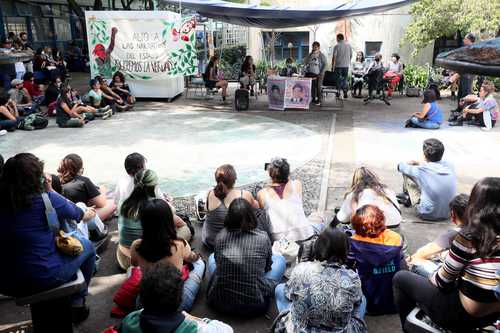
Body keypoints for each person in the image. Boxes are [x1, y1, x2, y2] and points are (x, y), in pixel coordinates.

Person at [393, 177, 500, 331]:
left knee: (401, 278)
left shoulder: (469, 237)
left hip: (463, 316)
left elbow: (441, 282)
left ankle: (409, 328)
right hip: (493, 315)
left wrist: (430, 271)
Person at [0, 153, 96, 323]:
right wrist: (50, 191)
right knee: (87, 246)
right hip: (45, 276)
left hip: (7, 282)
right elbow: (78, 213)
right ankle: (78, 302)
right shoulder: (46, 198)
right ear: (37, 178)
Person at [274, 227, 367, 332]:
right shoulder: (352, 278)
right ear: (345, 250)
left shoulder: (301, 269)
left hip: (301, 330)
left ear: (317, 246)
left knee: (280, 288)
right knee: (362, 300)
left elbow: (288, 294)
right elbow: (356, 303)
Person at [207, 198, 286, 316]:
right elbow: (267, 268)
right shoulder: (262, 237)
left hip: (221, 303)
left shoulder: (220, 237)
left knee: (212, 257)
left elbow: (218, 263)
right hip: (256, 306)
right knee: (280, 260)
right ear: (251, 216)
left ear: (229, 217)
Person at [130, 199, 204, 311]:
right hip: (177, 304)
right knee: (199, 264)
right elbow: (191, 258)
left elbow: (134, 264)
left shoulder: (136, 246)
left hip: (144, 305)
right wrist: (196, 256)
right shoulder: (179, 244)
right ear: (169, 220)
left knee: (132, 270)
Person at [118, 262, 233, 333]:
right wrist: (193, 318)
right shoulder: (196, 329)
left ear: (142, 296)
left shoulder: (130, 320)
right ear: (179, 298)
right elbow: (227, 329)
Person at [348, 205, 404, 315]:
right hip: (393, 303)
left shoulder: (353, 243)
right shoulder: (396, 238)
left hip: (369, 303)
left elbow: (346, 266)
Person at [408, 193, 469, 277]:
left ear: (453, 214)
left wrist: (410, 258)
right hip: (474, 278)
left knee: (415, 261)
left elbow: (422, 253)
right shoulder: (486, 231)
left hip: (453, 280)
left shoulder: (456, 233)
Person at [397, 138, 457, 221]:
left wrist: (410, 163)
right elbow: (434, 166)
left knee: (408, 172)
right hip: (448, 213)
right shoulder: (450, 166)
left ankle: (409, 197)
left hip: (427, 214)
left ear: (424, 154)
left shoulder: (422, 170)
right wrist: (421, 163)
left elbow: (400, 166)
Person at [257, 157, 315, 241]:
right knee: (318, 217)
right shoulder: (296, 184)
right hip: (305, 233)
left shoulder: (262, 194)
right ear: (288, 173)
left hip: (279, 239)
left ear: (270, 174)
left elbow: (265, 214)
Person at [202, 164, 258, 250]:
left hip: (211, 242)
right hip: (234, 244)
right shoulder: (244, 194)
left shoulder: (209, 193)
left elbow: (206, 210)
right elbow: (257, 208)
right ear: (234, 180)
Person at [335, 167, 401, 228]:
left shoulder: (354, 195)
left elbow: (342, 218)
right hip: (394, 224)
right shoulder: (387, 191)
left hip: (371, 229)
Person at [58, 153, 117, 222]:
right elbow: (102, 204)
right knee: (114, 202)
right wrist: (103, 190)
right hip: (81, 219)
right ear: (80, 169)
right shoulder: (83, 181)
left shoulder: (56, 180)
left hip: (64, 219)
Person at [304, 41, 327, 106]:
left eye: (316, 46)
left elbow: (325, 64)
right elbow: (305, 61)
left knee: (318, 87)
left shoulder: (321, 55)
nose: (315, 47)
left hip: (319, 74)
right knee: (312, 87)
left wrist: (321, 72)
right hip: (311, 73)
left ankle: (320, 100)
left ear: (318, 47)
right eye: (313, 46)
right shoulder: (310, 54)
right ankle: (313, 99)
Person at [332, 33, 353, 99]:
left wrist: (333, 66)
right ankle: (345, 92)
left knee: (338, 79)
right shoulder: (349, 45)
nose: (336, 39)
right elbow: (351, 55)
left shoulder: (336, 46)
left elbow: (334, 57)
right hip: (346, 66)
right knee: (345, 79)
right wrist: (347, 61)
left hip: (338, 66)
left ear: (338, 38)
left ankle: (338, 92)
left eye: (336, 38)